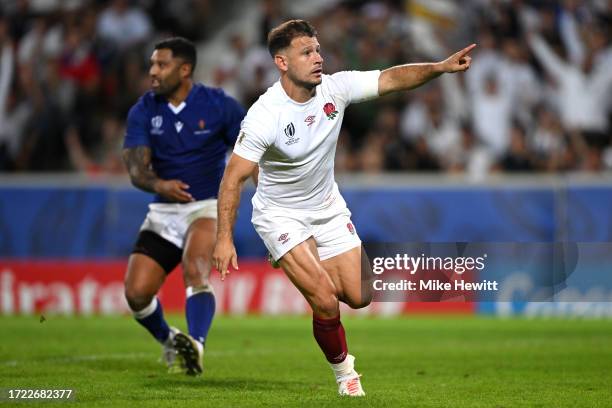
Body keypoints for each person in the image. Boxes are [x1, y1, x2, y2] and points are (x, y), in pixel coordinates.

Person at [212, 19, 473, 396]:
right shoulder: (264, 116)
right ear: (282, 63)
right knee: (323, 296)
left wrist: (438, 68)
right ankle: (345, 375)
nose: (318, 57)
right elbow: (232, 179)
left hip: (327, 207)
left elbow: (391, 79)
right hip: (279, 214)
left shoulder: (336, 87)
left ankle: (296, 256)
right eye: (307, 52)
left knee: (360, 295)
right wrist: (224, 239)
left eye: (317, 49)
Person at [122, 37, 245, 375]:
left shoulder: (219, 105)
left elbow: (251, 151)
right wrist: (158, 184)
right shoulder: (144, 110)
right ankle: (170, 340)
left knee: (195, 269)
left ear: (185, 69)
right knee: (136, 294)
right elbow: (135, 169)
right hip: (162, 212)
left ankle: (197, 345)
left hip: (206, 206)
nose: (153, 72)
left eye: (161, 65)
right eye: (152, 65)